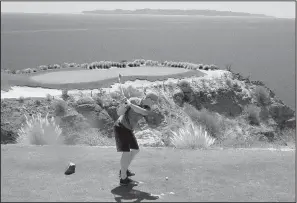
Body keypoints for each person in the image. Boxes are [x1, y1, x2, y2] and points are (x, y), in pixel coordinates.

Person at [114, 92, 159, 186]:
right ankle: (123, 178)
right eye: (154, 102)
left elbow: (143, 112)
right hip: (121, 127)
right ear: (149, 99)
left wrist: (131, 104)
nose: (154, 104)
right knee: (126, 152)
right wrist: (124, 105)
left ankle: (124, 169)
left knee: (135, 150)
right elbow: (119, 113)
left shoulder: (146, 108)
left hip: (129, 129)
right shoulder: (134, 100)